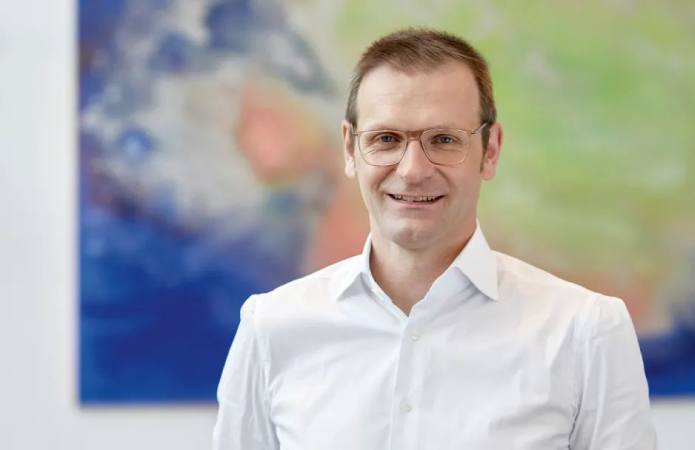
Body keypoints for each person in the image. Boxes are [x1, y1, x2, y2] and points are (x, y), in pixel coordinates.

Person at [213, 27, 657, 449]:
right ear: (350, 149)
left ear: (490, 151)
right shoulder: (271, 327)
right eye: (386, 138)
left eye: (443, 139)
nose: (412, 170)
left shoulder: (585, 331)